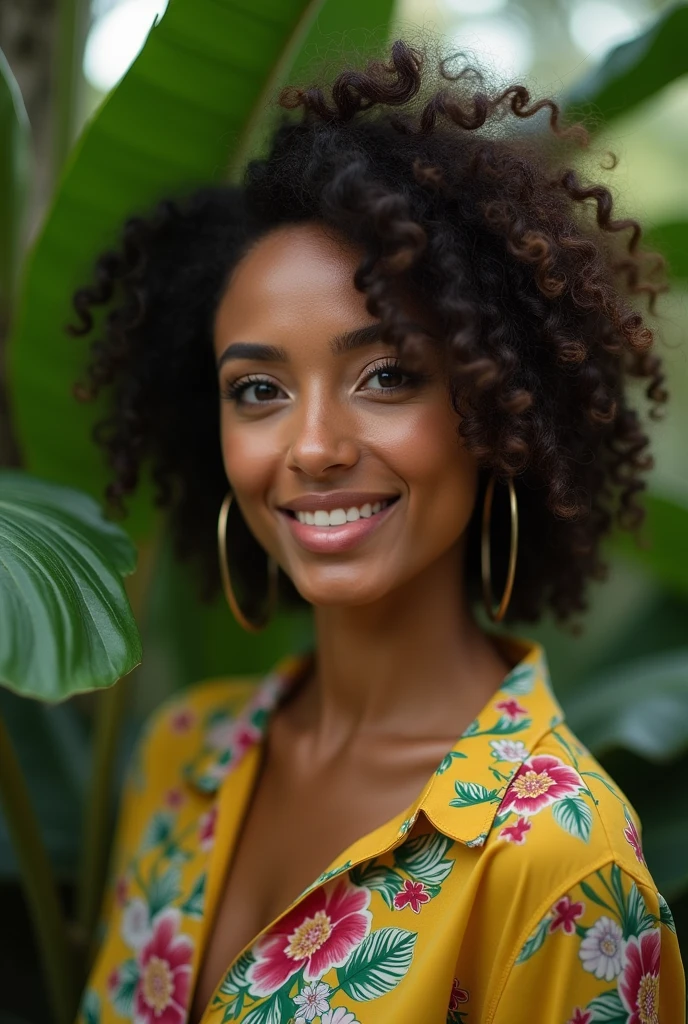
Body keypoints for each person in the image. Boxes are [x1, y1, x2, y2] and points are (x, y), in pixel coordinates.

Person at [70, 40, 685, 1024]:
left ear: (497, 406)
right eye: (258, 390)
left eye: (388, 374)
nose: (310, 447)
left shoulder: (560, 864)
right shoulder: (180, 755)